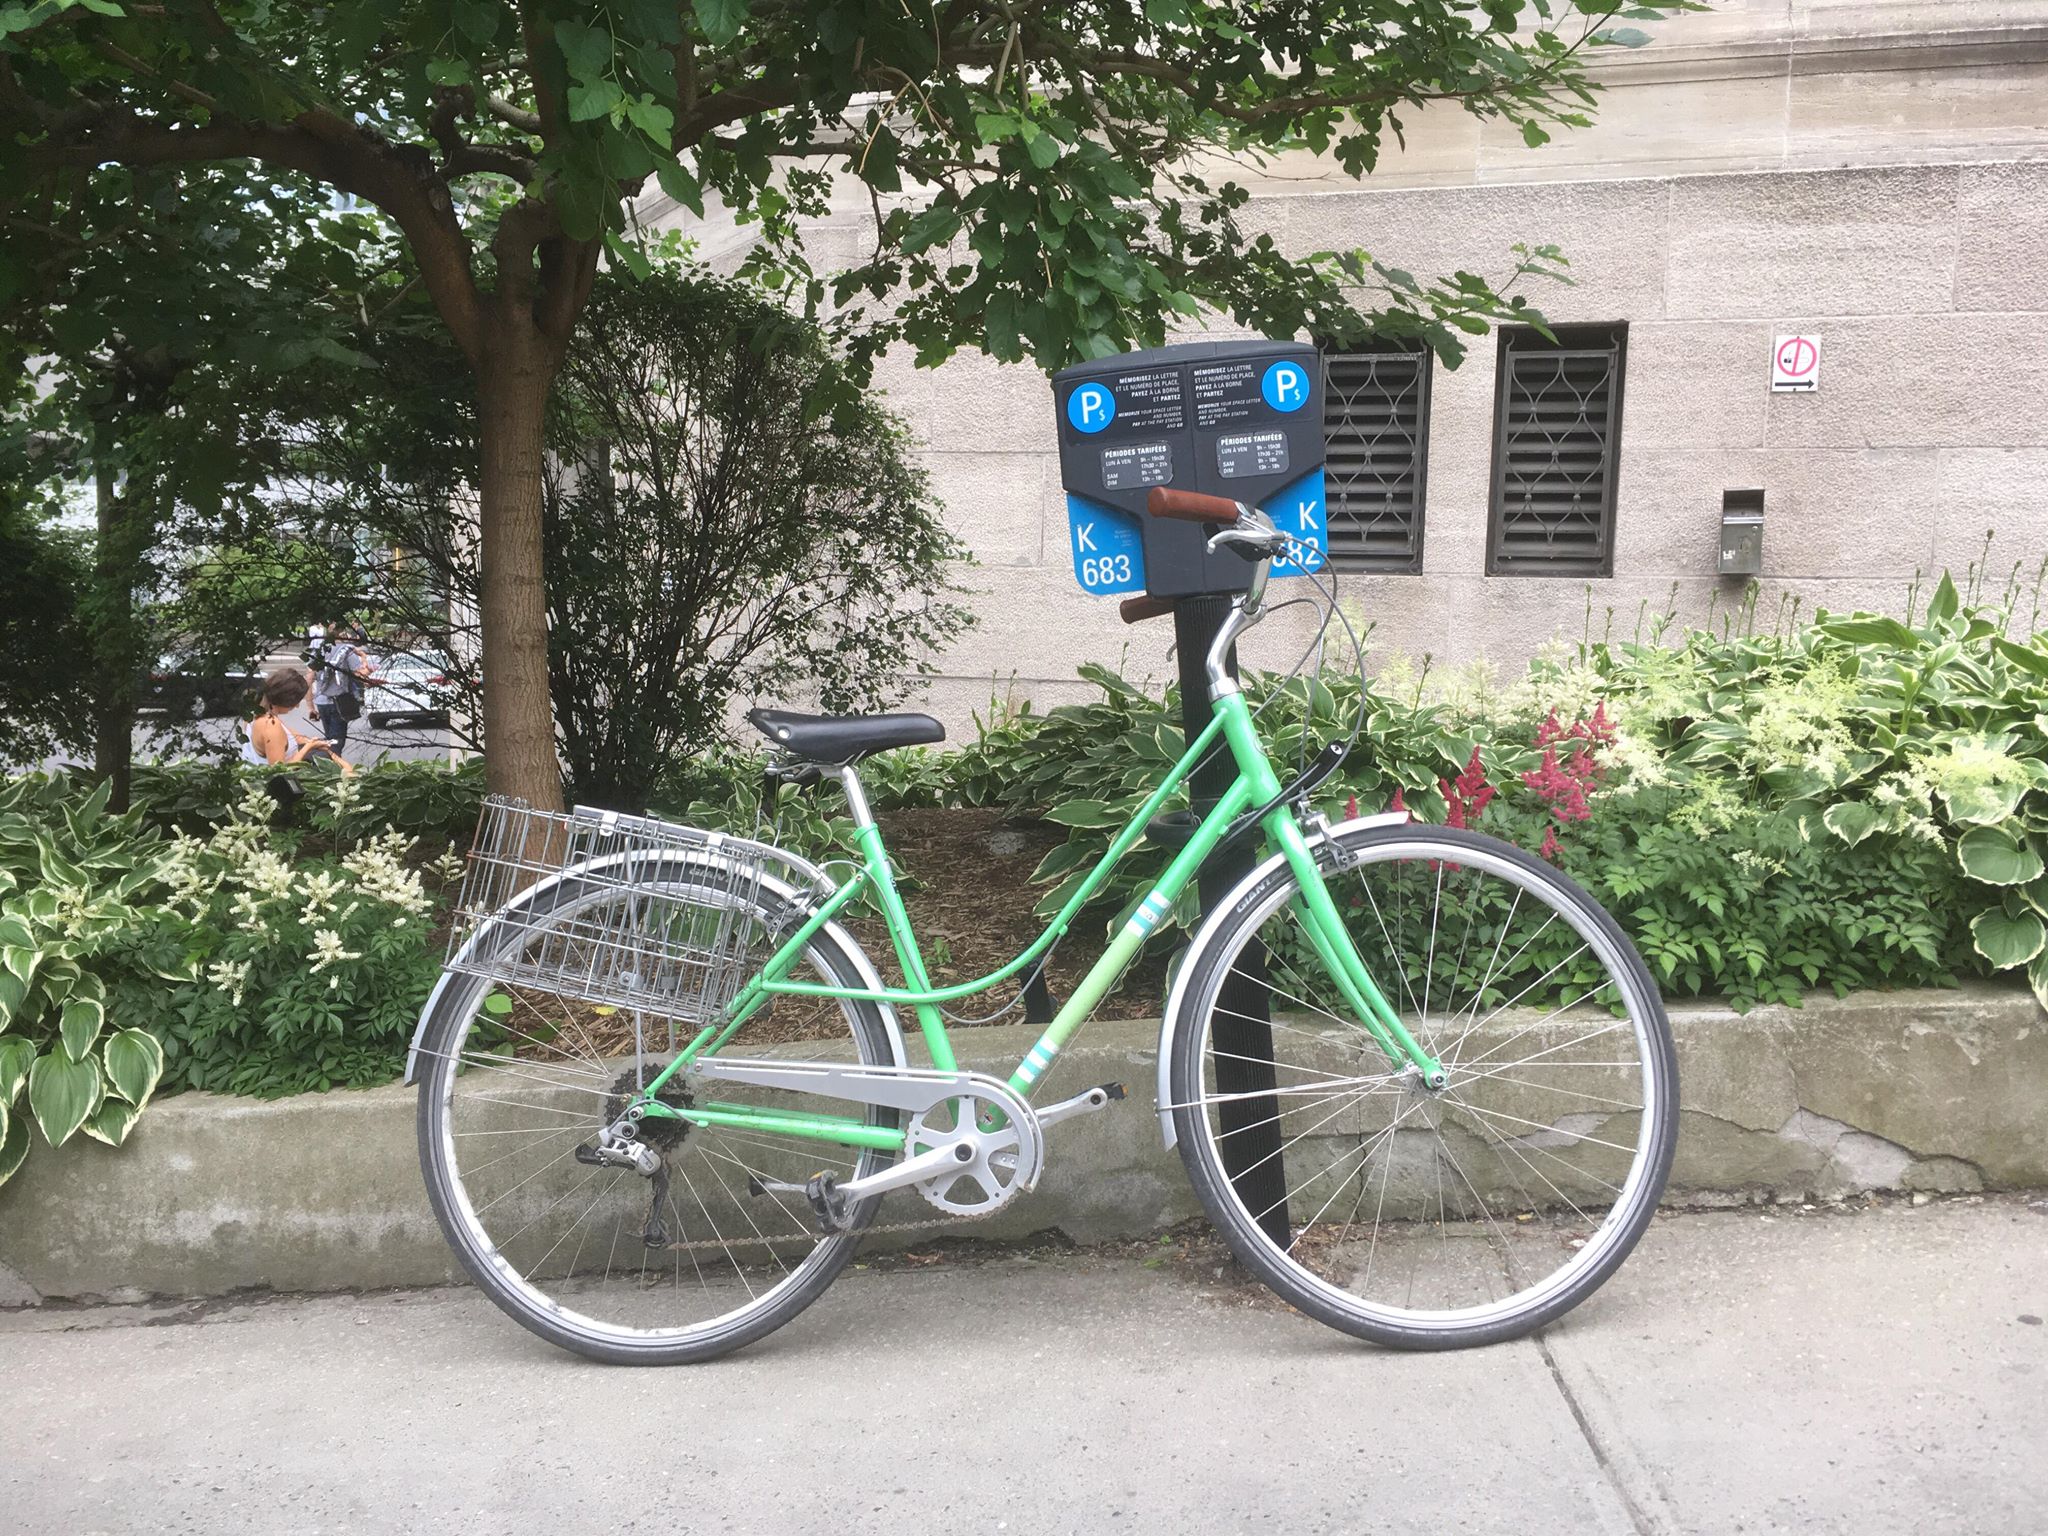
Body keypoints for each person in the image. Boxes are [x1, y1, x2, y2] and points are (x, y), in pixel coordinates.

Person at [242, 668, 353, 775]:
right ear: (286, 700)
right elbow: (278, 772)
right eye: (297, 701)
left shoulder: (258, 713)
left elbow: (295, 737)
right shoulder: (271, 726)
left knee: (325, 753)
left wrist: (317, 745)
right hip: (274, 787)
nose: (298, 706)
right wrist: (308, 747)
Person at [310, 618, 378, 756]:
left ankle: (327, 766)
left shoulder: (319, 651)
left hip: (321, 701)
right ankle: (332, 769)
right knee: (336, 743)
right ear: (342, 634)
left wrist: (310, 706)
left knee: (329, 740)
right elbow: (360, 675)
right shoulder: (346, 651)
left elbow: (309, 678)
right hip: (339, 702)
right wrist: (364, 659)